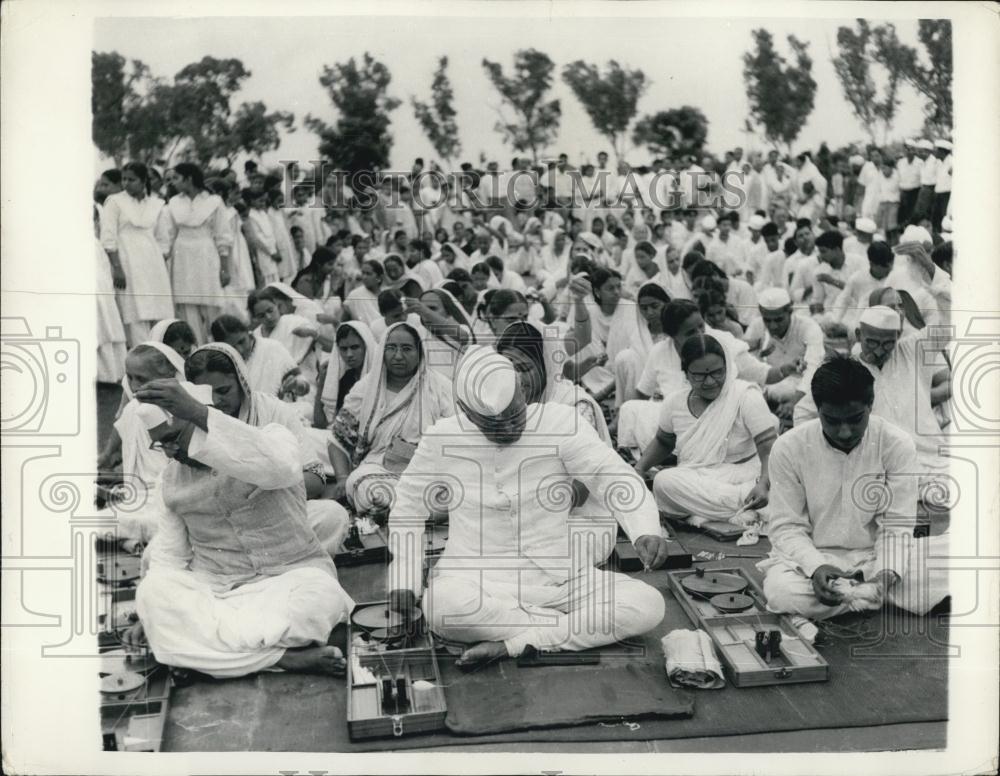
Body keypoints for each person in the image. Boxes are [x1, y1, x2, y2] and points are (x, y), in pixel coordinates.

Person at [386, 346, 668, 668]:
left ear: (521, 390)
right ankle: (561, 631)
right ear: (464, 409)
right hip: (476, 581)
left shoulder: (559, 421)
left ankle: (515, 643)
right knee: (443, 610)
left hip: (560, 580)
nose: (507, 429)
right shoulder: (442, 438)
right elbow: (407, 507)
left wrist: (644, 528)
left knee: (648, 604)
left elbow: (611, 474)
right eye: (493, 424)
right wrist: (404, 577)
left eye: (514, 415)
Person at [125, 358, 354, 678]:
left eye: (175, 437)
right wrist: (146, 613)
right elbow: (169, 558)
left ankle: (200, 655)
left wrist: (201, 413)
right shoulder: (172, 480)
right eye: (162, 443)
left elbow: (282, 467)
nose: (170, 450)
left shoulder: (270, 438)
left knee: (322, 599)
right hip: (219, 592)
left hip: (286, 580)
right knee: (153, 593)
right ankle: (282, 658)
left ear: (198, 420)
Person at [759, 355, 949, 621]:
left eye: (855, 419)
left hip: (877, 557)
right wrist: (815, 568)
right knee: (781, 591)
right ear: (818, 408)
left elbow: (896, 526)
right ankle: (872, 598)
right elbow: (786, 526)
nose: (845, 432)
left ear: (870, 405)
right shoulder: (789, 447)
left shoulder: (896, 444)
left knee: (958, 559)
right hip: (817, 558)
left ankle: (865, 595)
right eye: (833, 421)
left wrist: (885, 576)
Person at [793, 306, 950, 491]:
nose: (879, 351)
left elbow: (948, 321)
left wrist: (937, 281)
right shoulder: (847, 370)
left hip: (931, 458)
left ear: (897, 337)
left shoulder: (912, 350)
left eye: (888, 344)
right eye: (872, 342)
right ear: (859, 335)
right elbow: (803, 412)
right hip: (880, 467)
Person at [635, 334, 778, 524]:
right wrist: (639, 469)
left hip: (746, 475)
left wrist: (763, 484)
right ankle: (748, 507)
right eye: (700, 376)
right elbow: (663, 441)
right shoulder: (674, 402)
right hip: (699, 476)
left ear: (727, 367)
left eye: (717, 373)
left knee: (774, 486)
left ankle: (732, 507)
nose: (710, 382)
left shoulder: (744, 396)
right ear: (686, 373)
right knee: (663, 482)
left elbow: (770, 449)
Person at [327, 323, 454, 516]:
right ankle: (408, 510)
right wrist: (342, 477)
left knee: (453, 490)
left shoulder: (440, 387)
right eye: (391, 348)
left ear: (420, 352)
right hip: (380, 467)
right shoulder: (366, 388)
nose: (398, 356)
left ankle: (396, 510)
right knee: (361, 484)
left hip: (428, 470)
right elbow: (338, 439)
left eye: (407, 349)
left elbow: (456, 439)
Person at [100, 162, 175, 346]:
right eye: (124, 179)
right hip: (127, 261)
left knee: (157, 310)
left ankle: (160, 352)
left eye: (131, 179)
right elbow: (108, 237)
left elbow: (163, 238)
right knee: (134, 312)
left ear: (143, 181)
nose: (126, 183)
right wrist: (117, 267)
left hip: (152, 262)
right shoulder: (115, 202)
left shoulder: (156, 204)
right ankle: (140, 355)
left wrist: (157, 258)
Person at [163, 163, 232, 343]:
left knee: (212, 305)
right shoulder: (174, 202)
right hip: (182, 255)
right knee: (187, 307)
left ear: (189, 179)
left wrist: (224, 268)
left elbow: (223, 236)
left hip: (206, 253)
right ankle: (197, 349)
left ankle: (221, 347)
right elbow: (168, 235)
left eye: (177, 178)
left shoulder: (214, 201)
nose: (173, 183)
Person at [743, 288, 826, 420]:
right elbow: (747, 365)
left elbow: (813, 370)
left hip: (804, 387)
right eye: (767, 320)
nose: (773, 326)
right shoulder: (756, 326)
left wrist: (794, 402)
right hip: (770, 385)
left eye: (778, 320)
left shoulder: (808, 326)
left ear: (790, 311)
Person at [610, 282, 671, 408]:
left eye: (655, 306)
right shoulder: (637, 334)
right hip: (642, 386)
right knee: (625, 356)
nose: (649, 312)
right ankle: (629, 408)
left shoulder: (677, 330)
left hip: (671, 383)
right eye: (644, 308)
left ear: (667, 303)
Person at [210, 313, 300, 399]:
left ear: (247, 332)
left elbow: (301, 383)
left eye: (242, 341)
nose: (240, 350)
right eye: (232, 347)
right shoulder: (223, 364)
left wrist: (298, 385)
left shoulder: (273, 348)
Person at [316, 321, 378, 427]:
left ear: (366, 347)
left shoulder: (383, 377)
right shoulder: (346, 378)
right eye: (343, 349)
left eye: (355, 347)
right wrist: (322, 383)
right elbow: (320, 423)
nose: (349, 354)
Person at [343, 259, 384, 327]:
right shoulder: (355, 294)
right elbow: (344, 319)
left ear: (379, 277)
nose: (364, 277)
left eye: (368, 274)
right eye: (363, 273)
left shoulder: (386, 296)